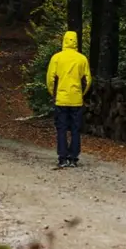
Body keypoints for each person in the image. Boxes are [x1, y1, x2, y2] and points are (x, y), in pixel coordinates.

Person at [46, 31, 92, 168]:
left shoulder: (57, 58)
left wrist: (52, 93)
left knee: (61, 129)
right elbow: (88, 80)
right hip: (76, 100)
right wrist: (82, 93)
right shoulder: (82, 59)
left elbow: (50, 79)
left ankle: (62, 158)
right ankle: (73, 158)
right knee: (75, 129)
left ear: (64, 40)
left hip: (61, 99)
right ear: (76, 41)